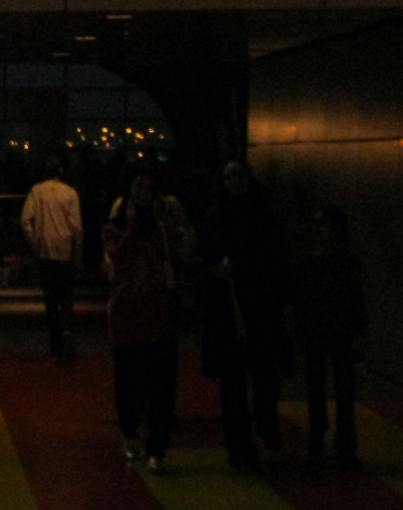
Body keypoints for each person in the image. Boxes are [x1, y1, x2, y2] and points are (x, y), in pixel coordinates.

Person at [194, 159, 291, 469]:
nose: (236, 182)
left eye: (240, 176)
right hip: (231, 307)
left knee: (265, 376)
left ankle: (263, 421)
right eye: (230, 177)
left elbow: (279, 259)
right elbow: (202, 256)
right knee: (234, 382)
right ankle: (240, 446)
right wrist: (216, 268)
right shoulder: (217, 217)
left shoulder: (263, 216)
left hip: (260, 304)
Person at [102, 167, 192, 473]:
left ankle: (157, 447)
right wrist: (131, 227)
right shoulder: (114, 227)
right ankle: (130, 434)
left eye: (148, 190)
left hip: (160, 313)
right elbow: (118, 257)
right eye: (137, 189)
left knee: (161, 387)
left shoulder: (165, 227)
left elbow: (183, 253)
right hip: (127, 314)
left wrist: (165, 227)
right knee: (128, 383)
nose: (142, 195)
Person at [291, 205, 366, 470]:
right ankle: (329, 437)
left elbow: (356, 298)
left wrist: (359, 331)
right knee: (326, 387)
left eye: (323, 223)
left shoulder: (326, 261)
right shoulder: (313, 261)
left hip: (334, 330)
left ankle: (328, 437)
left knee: (333, 388)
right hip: (323, 330)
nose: (317, 229)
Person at [19, 155, 83, 361]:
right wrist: (77, 254)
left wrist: (35, 243)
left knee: (51, 298)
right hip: (65, 249)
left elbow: (25, 220)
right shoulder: (70, 193)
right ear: (61, 171)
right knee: (66, 295)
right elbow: (77, 228)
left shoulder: (37, 191)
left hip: (45, 249)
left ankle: (55, 344)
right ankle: (67, 329)